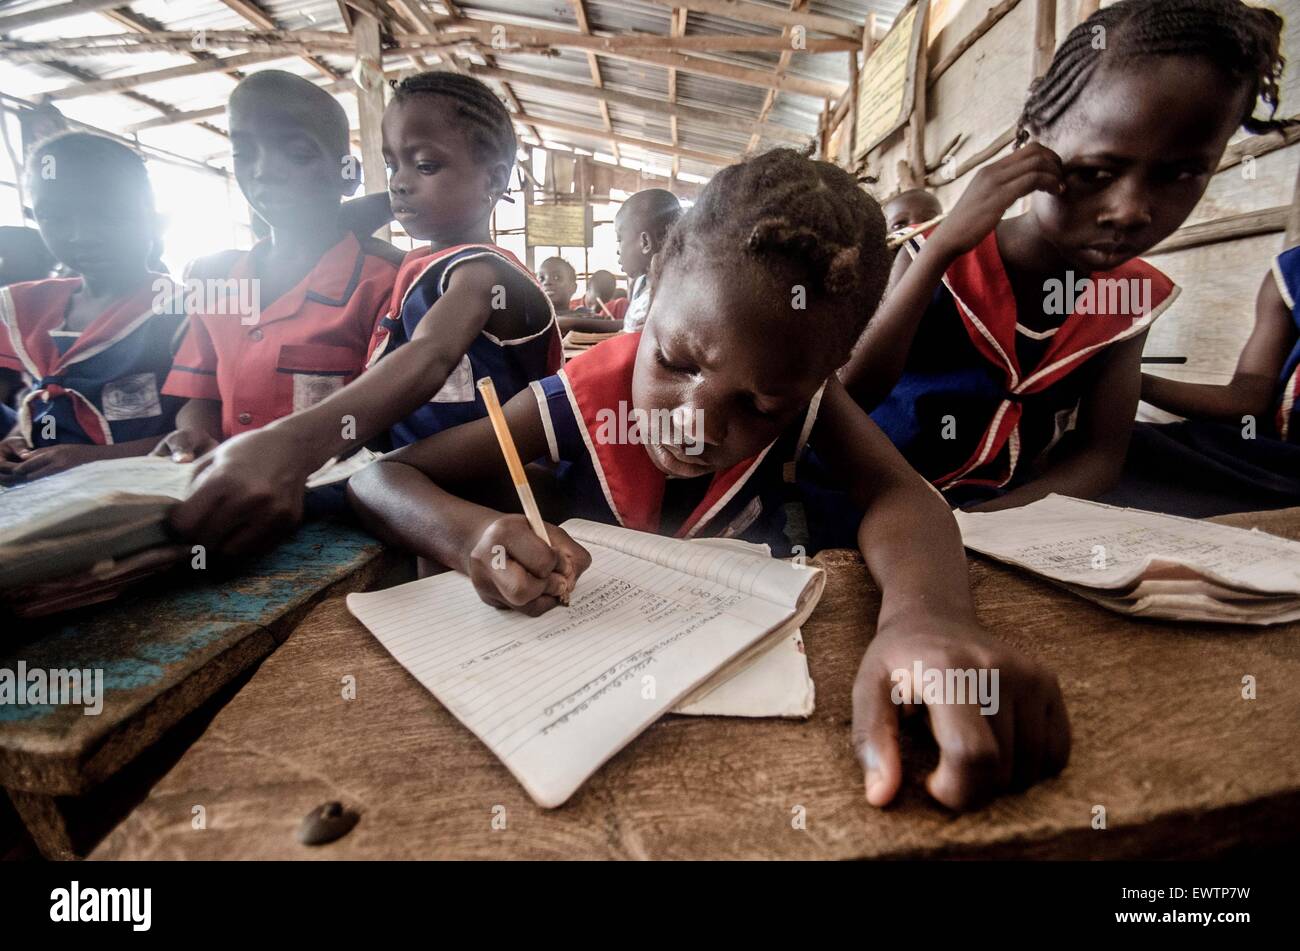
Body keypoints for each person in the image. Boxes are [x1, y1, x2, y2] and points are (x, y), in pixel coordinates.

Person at [349, 149, 1071, 812]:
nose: (695, 422)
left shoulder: (806, 396)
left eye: (758, 406)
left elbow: (900, 493)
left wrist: (925, 616)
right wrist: (471, 534)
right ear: (652, 287)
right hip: (573, 719)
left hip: (741, 737)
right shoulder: (578, 400)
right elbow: (381, 479)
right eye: (678, 362)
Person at [841, 0, 1289, 513]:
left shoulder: (1127, 299)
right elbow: (851, 399)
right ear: (1032, 146)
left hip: (994, 514)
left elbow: (1099, 460)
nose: (1130, 211)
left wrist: (974, 529)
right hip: (860, 497)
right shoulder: (932, 254)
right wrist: (939, 252)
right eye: (1098, 171)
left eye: (1181, 174)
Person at [163, 71, 558, 554]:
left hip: (485, 473)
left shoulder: (480, 272)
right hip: (428, 473)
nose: (401, 185)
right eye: (393, 167)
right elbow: (342, 217)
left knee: (367, 485)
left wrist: (293, 442)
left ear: (494, 179)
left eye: (426, 165)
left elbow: (430, 353)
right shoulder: (425, 264)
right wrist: (396, 197)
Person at [157, 70, 402, 459]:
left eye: (298, 153)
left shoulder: (384, 284)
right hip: (220, 489)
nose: (263, 170)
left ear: (348, 175)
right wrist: (192, 438)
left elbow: (390, 414)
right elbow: (201, 397)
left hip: (337, 498)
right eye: (244, 152)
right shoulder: (217, 281)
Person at [0, 133, 184, 483]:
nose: (80, 234)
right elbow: (41, 409)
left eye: (106, 213)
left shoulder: (182, 311)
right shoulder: (30, 310)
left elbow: (210, 434)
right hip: (44, 489)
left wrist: (94, 460)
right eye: (53, 216)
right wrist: (15, 442)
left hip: (143, 488)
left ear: (151, 214)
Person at [1102, 251, 1300, 516]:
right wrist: (1121, 380)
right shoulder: (1290, 271)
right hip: (1272, 459)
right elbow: (1247, 398)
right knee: (1112, 450)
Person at [616, 188, 682, 333]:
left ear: (645, 242)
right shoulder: (641, 283)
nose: (617, 250)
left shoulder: (672, 295)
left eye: (619, 239)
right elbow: (629, 329)